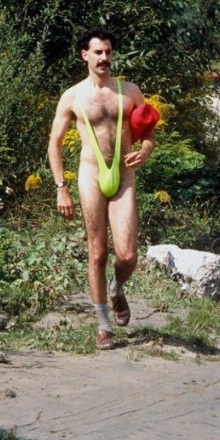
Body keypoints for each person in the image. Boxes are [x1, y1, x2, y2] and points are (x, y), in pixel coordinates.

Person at [48, 28, 156, 350]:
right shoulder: (72, 96)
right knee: (97, 252)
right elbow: (54, 143)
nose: (105, 58)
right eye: (98, 52)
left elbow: (149, 134)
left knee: (128, 255)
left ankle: (116, 287)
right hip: (91, 175)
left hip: (124, 176)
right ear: (85, 55)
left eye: (108, 52)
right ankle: (103, 325)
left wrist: (145, 151)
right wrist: (61, 187)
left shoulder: (130, 92)